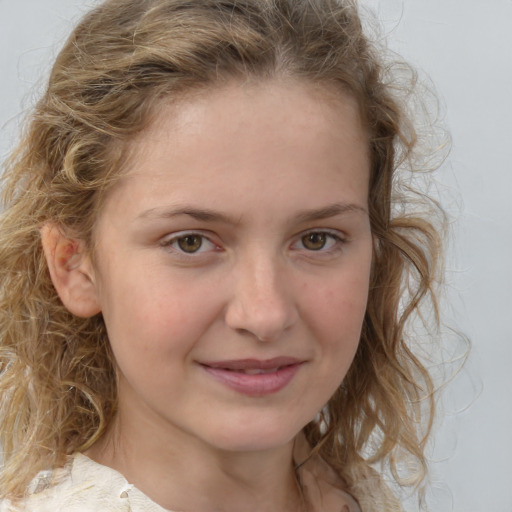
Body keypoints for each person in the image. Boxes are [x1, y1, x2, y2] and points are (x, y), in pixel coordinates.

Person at [0, 0, 445, 510]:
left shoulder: (359, 497)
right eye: (190, 242)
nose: (265, 314)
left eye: (317, 239)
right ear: (74, 265)